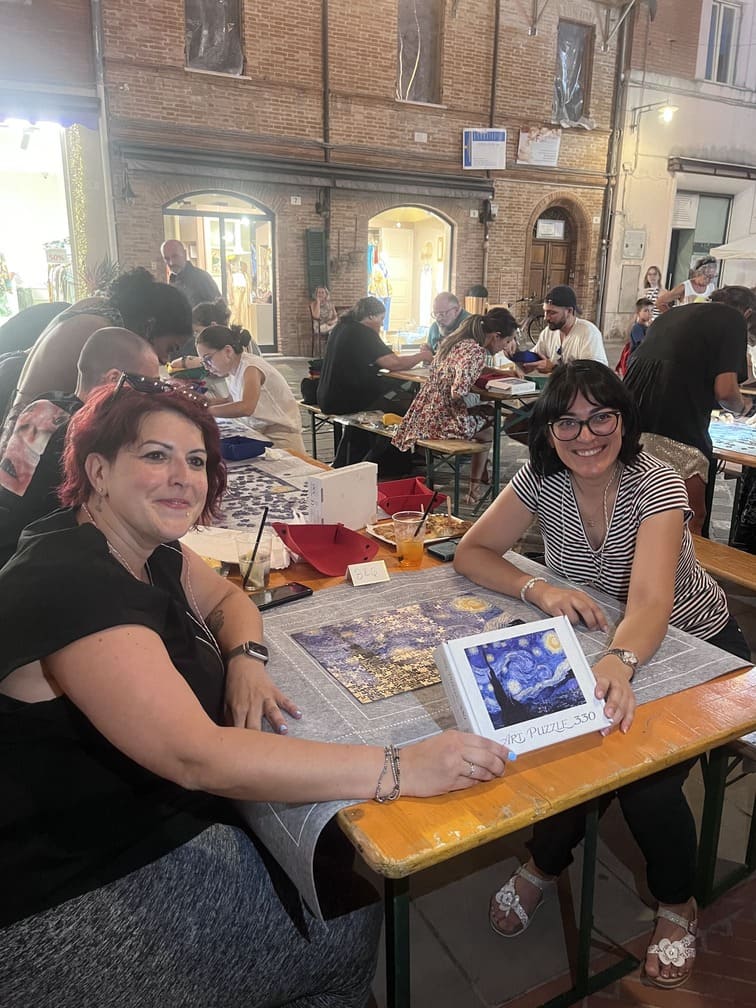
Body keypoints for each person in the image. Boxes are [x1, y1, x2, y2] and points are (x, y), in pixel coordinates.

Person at [0, 382, 512, 1005]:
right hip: (61, 890)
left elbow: (228, 597)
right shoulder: (73, 579)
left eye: (195, 461)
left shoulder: (139, 545)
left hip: (135, 816)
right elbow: (196, 756)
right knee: (349, 921)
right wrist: (401, 767)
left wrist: (245, 658)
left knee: (323, 864)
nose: (182, 477)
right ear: (98, 471)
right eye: (156, 455)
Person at [454, 360, 750, 990]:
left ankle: (678, 901)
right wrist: (538, 588)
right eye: (567, 422)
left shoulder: (657, 484)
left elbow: (651, 605)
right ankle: (546, 862)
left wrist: (622, 659)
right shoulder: (543, 479)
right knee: (559, 743)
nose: (585, 436)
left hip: (694, 645)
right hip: (602, 640)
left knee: (644, 781)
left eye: (601, 418)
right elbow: (471, 551)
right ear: (549, 430)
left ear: (623, 420)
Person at [0, 328, 159, 569]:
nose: (152, 399)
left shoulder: (45, 406)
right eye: (148, 386)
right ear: (114, 379)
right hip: (32, 562)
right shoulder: (86, 432)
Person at [1, 268, 192, 455]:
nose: (165, 360)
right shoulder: (100, 331)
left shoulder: (99, 306)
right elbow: (106, 415)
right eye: (170, 348)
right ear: (150, 325)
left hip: (23, 414)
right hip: (29, 439)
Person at [624, 286, 752, 535]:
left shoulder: (675, 314)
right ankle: (681, 561)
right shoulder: (733, 318)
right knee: (691, 516)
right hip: (674, 424)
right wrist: (742, 407)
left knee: (641, 505)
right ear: (747, 313)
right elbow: (726, 392)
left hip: (631, 418)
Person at [393, 309, 520, 503]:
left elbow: (469, 369)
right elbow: (457, 392)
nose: (505, 347)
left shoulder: (457, 342)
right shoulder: (476, 351)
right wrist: (477, 398)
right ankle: (474, 489)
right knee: (490, 426)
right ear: (496, 336)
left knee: (485, 416)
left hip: (423, 416)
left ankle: (478, 478)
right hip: (441, 423)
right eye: (507, 341)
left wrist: (500, 374)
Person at [316, 296, 432, 472]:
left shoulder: (342, 327)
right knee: (406, 408)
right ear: (370, 316)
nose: (381, 324)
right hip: (347, 400)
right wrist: (422, 356)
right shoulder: (363, 333)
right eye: (381, 319)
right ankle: (391, 463)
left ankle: (348, 461)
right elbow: (393, 363)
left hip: (328, 395)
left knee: (388, 401)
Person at [195, 323, 306, 452]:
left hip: (281, 437)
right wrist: (201, 403)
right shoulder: (233, 369)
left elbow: (246, 407)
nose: (206, 366)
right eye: (204, 362)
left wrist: (206, 412)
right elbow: (230, 400)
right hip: (261, 434)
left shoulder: (251, 368)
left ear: (228, 351)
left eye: (208, 359)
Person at [525, 286, 608, 373]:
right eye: (545, 311)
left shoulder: (589, 333)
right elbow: (535, 355)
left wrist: (554, 368)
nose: (546, 318)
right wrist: (519, 360)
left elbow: (593, 373)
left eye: (552, 313)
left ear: (569, 311)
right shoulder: (548, 332)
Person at [169, 300, 261, 370]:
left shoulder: (234, 345)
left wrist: (188, 361)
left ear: (213, 326)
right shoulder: (230, 340)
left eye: (197, 331)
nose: (196, 337)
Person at [161, 239, 222, 307]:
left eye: (175, 256)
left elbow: (220, 308)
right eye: (167, 258)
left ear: (185, 254)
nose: (171, 262)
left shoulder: (202, 278)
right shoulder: (172, 280)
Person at [616, 297, 654, 378]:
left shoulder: (647, 327)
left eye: (651, 310)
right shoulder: (637, 328)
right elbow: (644, 344)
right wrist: (652, 330)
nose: (649, 313)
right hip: (636, 362)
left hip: (642, 360)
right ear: (638, 313)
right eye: (646, 310)